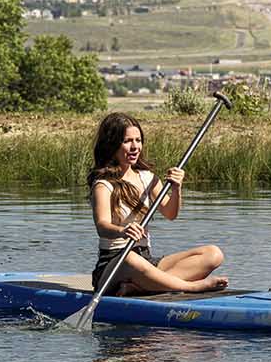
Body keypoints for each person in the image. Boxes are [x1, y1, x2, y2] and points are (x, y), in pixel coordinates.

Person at [87, 111, 227, 295]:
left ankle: (140, 288)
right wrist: (123, 230)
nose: (135, 146)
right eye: (127, 141)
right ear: (112, 145)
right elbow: (102, 226)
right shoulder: (103, 184)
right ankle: (190, 287)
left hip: (145, 259)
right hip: (114, 264)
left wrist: (176, 188)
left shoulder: (148, 178)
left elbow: (170, 213)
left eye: (138, 140)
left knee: (213, 254)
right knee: (129, 259)